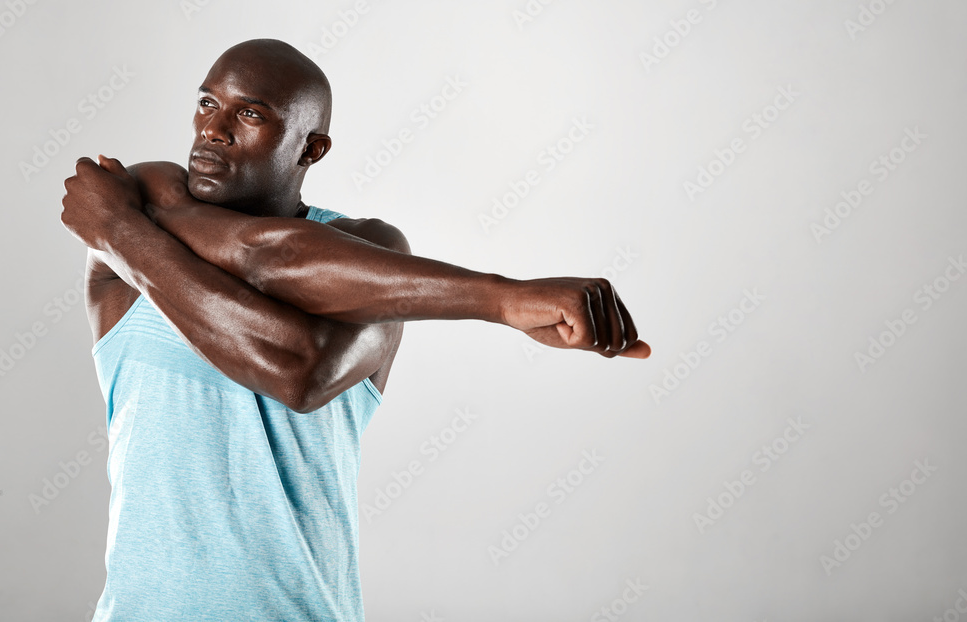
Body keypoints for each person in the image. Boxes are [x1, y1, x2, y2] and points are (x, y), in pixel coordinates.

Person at [60, 38, 650, 621]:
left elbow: (300, 369)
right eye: (207, 102)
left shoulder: (376, 254)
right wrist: (501, 298)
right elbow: (256, 253)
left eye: (249, 113)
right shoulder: (146, 190)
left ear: (311, 148)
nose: (213, 129)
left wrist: (121, 232)